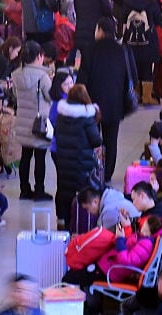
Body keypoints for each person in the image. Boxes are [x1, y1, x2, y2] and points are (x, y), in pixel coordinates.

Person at [82, 17, 136, 184]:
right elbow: (132, 75)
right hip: (115, 104)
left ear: (99, 30)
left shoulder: (89, 50)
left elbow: (82, 79)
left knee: (91, 138)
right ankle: (108, 174)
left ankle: (92, 171)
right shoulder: (123, 50)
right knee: (111, 141)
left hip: (92, 104)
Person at [52, 83, 102, 230]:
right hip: (82, 163)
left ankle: (66, 224)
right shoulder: (86, 118)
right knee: (84, 195)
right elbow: (96, 140)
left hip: (63, 162)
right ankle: (82, 226)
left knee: (65, 192)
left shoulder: (61, 116)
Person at [12, 41, 53, 201]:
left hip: (22, 121)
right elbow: (50, 96)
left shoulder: (16, 74)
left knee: (25, 157)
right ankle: (39, 191)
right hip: (39, 123)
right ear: (39, 56)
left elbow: (15, 95)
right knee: (40, 158)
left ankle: (24, 190)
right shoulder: (42, 76)